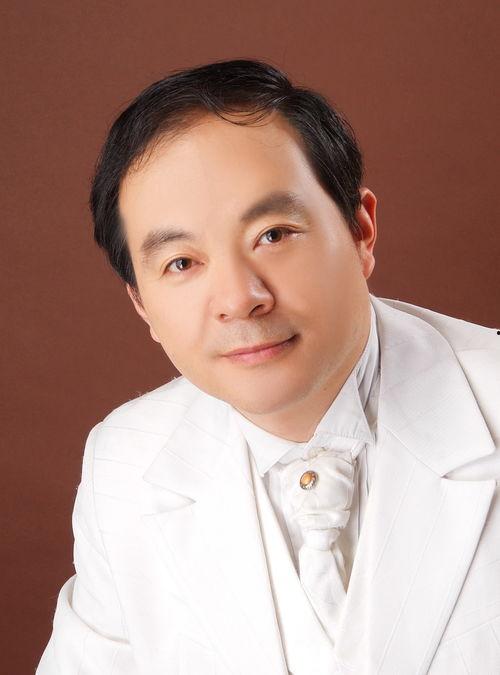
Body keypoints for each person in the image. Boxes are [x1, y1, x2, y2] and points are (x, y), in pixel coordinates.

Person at [36, 58, 500, 675]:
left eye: (273, 235)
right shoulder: (122, 463)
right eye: (181, 263)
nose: (238, 299)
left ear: (361, 231)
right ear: (142, 304)